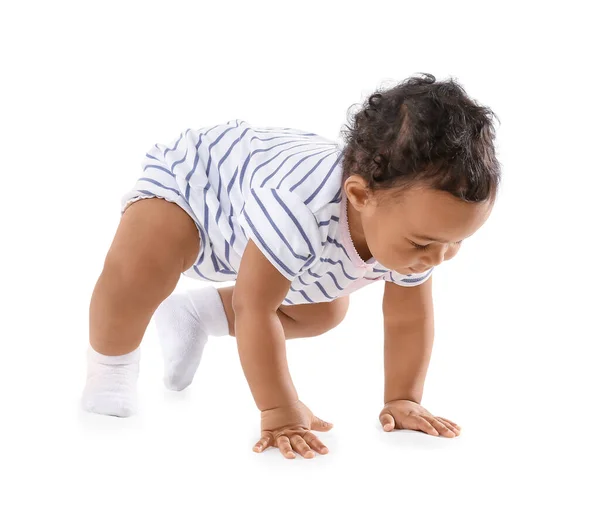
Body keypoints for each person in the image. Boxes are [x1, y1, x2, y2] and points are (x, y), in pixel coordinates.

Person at [81, 73, 500, 459]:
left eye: (456, 242)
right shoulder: (300, 208)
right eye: (426, 244)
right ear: (359, 196)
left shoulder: (417, 232)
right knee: (140, 271)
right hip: (200, 190)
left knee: (325, 310)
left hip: (266, 235)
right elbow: (254, 307)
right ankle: (110, 368)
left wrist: (403, 397)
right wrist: (280, 410)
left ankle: (196, 315)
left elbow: (408, 319)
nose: (440, 258)